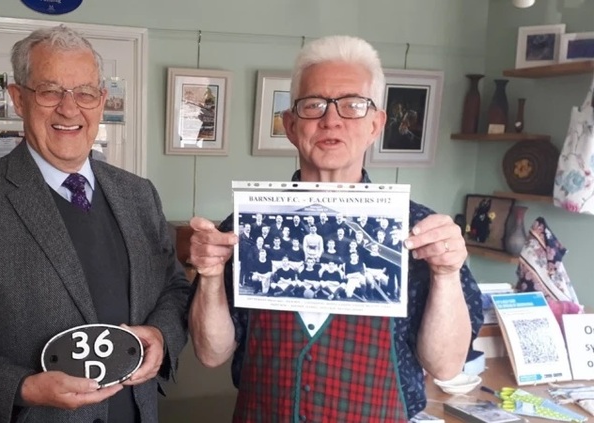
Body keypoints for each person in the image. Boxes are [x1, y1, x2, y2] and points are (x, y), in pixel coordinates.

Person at [0, 25, 190, 423]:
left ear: (102, 101)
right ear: (18, 98)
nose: (69, 109)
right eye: (50, 91)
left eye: (85, 92)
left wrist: (159, 336)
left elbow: (174, 290)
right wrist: (21, 386)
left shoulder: (139, 195)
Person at [187, 35, 482, 421]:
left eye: (352, 105)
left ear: (376, 124)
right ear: (291, 126)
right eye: (314, 105)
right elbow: (211, 354)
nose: (331, 119)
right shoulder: (247, 226)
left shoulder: (419, 233)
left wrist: (446, 274)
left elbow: (445, 366)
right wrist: (210, 277)